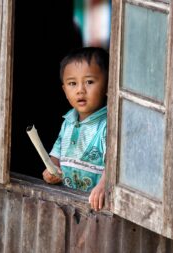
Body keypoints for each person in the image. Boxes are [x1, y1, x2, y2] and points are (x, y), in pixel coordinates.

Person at [42, 47, 108, 211]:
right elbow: (56, 155)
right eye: (72, 83)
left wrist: (104, 186)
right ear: (65, 90)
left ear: (108, 85)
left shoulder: (108, 125)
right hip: (67, 203)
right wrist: (50, 170)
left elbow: (114, 166)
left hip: (96, 206)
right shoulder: (68, 122)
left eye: (89, 82)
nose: (80, 90)